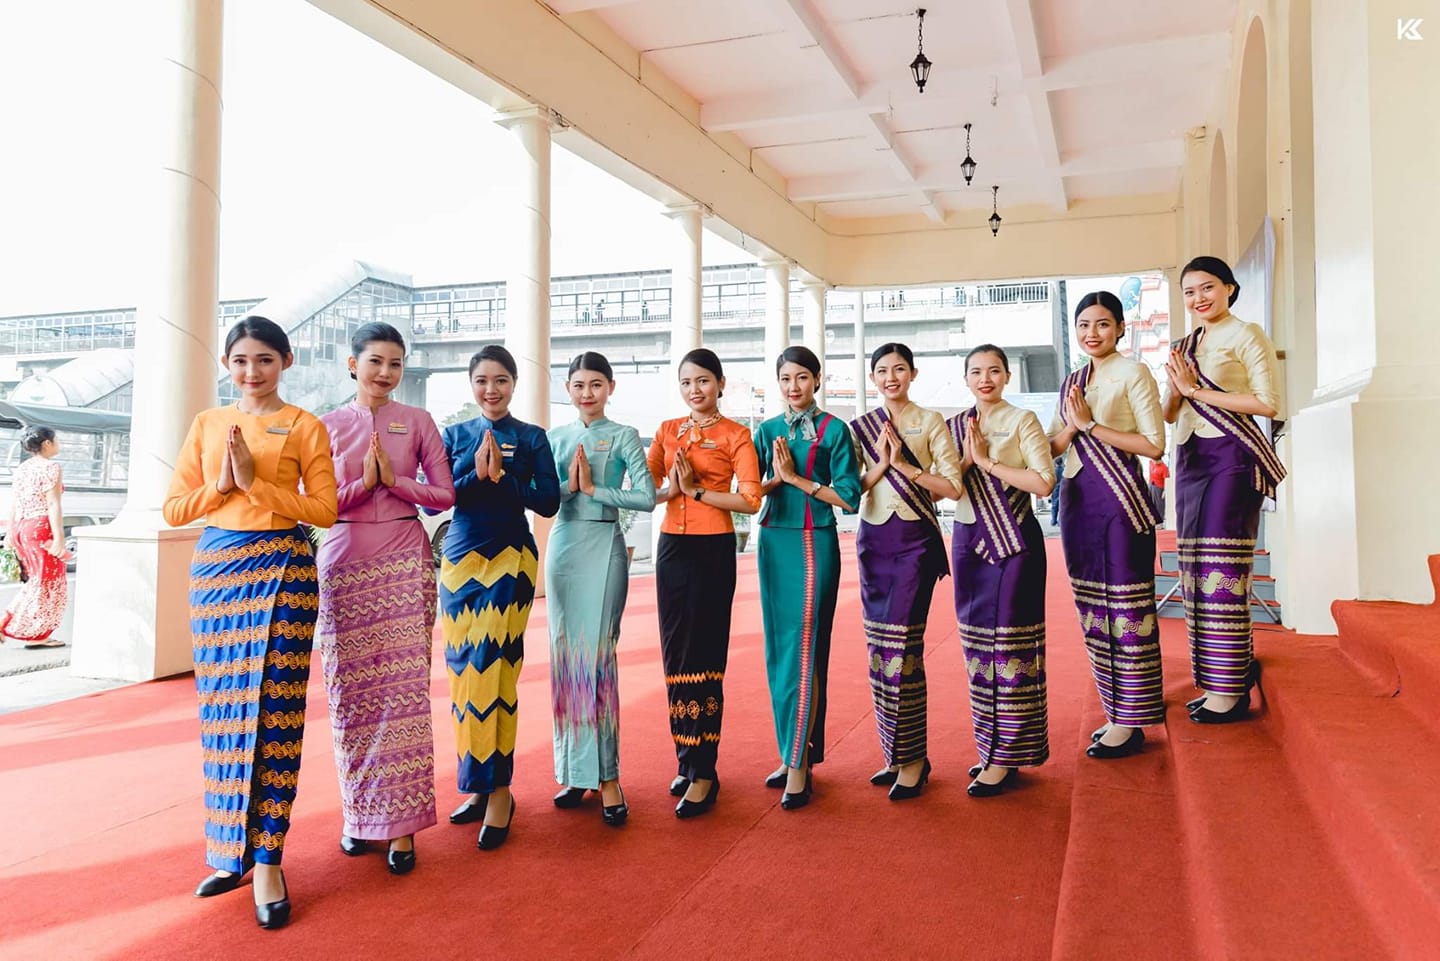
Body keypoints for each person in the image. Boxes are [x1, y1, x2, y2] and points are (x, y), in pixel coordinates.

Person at [163, 316, 338, 930]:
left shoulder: (305, 424)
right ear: (226, 364)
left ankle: (267, 858)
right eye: (240, 360)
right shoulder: (207, 423)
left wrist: (257, 485)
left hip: (283, 567)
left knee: (276, 713)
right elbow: (175, 508)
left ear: (285, 361)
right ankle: (226, 851)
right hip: (218, 577)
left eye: (264, 359)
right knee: (223, 719)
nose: (251, 371)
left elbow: (324, 509)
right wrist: (221, 485)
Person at [315, 322, 454, 876]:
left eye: (395, 363)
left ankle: (402, 827)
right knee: (351, 695)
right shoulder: (325, 426)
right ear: (353, 364)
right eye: (375, 361)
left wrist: (393, 482)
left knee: (403, 695)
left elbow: (443, 495)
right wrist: (363, 485)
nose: (385, 372)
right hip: (344, 561)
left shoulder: (418, 421)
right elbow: (313, 505)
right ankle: (358, 816)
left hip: (403, 556)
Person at [439, 345, 560, 848]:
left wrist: (505, 478)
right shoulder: (453, 436)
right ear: (471, 385)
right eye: (482, 381)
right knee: (463, 675)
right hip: (458, 563)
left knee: (495, 669)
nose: (491, 390)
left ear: (514, 384)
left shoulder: (531, 437)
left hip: (511, 558)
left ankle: (501, 791)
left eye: (501, 380)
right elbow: (439, 497)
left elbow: (549, 501)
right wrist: (475, 474)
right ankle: (477, 784)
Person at [1163, 256, 1284, 724]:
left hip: (1232, 457)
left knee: (1223, 567)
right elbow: (1170, 412)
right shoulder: (1186, 344)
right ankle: (1218, 677)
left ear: (1230, 288)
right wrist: (1178, 388)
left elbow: (1268, 403)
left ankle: (1230, 689)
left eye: (1208, 287)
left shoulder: (1247, 334)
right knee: (1195, 570)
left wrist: (1196, 390)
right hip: (1190, 457)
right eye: (1189, 292)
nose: (1199, 298)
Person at [1049, 293, 1167, 760]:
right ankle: (1115, 707)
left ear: (1120, 327)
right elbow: (1055, 443)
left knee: (1126, 603)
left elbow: (1154, 445)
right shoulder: (1073, 381)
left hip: (1119, 500)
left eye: (1102, 324)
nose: (1091, 333)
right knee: (1093, 605)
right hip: (1077, 499)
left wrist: (1090, 426)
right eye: (1083, 325)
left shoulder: (1134, 373)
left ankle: (1133, 717)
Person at [647, 348, 762, 818]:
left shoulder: (736, 434)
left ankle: (705, 771)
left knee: (706, 656)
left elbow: (750, 500)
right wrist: (670, 491)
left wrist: (696, 491)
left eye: (703, 381)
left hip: (713, 549)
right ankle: (686, 756)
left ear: (720, 384)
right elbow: (646, 490)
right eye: (686, 382)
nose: (695, 390)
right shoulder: (667, 430)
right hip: (671, 549)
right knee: (676, 655)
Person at [545, 351, 656, 827]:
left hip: (604, 543)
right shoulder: (555, 437)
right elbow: (542, 497)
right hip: (563, 548)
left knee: (598, 659)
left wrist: (595, 491)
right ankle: (574, 772)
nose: (586, 393)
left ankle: (607, 776)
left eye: (595, 384)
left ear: (610, 387)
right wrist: (569, 489)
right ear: (567, 389)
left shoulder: (625, 435)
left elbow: (647, 498)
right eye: (578, 385)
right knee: (565, 659)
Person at [851, 343, 962, 801]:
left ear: (913, 373)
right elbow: (851, 488)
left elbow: (952, 485)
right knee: (879, 650)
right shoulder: (860, 427)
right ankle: (896, 753)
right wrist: (881, 465)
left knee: (904, 648)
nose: (891, 377)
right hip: (873, 543)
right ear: (873, 378)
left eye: (899, 369)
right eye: (882, 370)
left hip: (915, 542)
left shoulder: (931, 421)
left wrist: (903, 467)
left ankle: (915, 759)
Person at [753, 346, 862, 810]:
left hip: (814, 539)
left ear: (817, 379)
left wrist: (796, 480)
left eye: (801, 377)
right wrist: (776, 480)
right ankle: (792, 751)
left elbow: (850, 497)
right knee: (779, 652)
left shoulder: (835, 430)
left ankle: (798, 764)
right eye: (785, 379)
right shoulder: (766, 430)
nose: (793, 386)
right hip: (773, 539)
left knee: (805, 649)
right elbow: (750, 490)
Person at [950, 344, 1055, 797]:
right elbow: (945, 486)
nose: (985, 379)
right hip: (967, 542)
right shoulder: (955, 426)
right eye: (976, 372)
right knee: (977, 647)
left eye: (994, 370)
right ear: (966, 379)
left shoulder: (1022, 420)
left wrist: (988, 462)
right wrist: (966, 460)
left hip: (1013, 544)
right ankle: (990, 747)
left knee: (1012, 646)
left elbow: (1044, 482)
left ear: (1007, 376)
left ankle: (1009, 753)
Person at [1, 426, 68, 648]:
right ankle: (11, 625)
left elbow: (15, 503)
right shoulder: (51, 467)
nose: (58, 444)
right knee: (49, 582)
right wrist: (59, 538)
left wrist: (11, 532)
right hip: (41, 528)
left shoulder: (22, 468)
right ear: (47, 443)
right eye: (56, 440)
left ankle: (35, 633)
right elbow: (53, 504)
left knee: (39, 580)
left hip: (23, 528)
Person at [1148, 456, 1169, 523]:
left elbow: (1167, 480)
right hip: (1151, 485)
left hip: (1159, 488)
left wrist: (1165, 491)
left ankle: (1160, 520)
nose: (1154, 462)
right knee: (1150, 503)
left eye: (1155, 461)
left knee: (1159, 505)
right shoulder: (1151, 462)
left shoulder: (1164, 468)